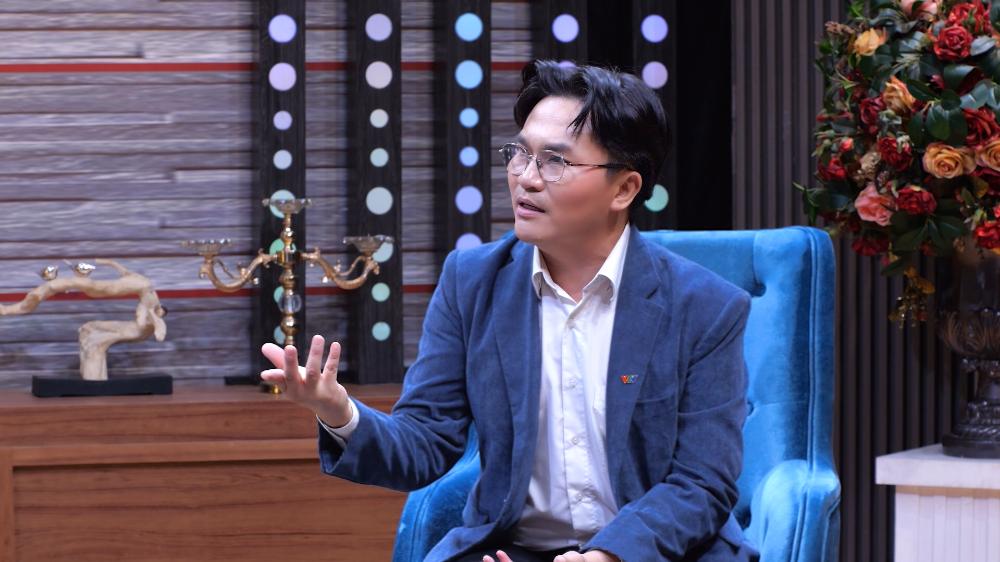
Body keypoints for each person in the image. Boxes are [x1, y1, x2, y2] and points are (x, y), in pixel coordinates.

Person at [260, 60, 759, 562]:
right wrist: (339, 412)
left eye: (555, 162)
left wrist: (608, 556)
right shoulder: (473, 282)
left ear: (624, 188)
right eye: (519, 154)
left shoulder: (705, 307)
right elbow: (426, 442)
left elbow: (701, 483)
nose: (526, 178)